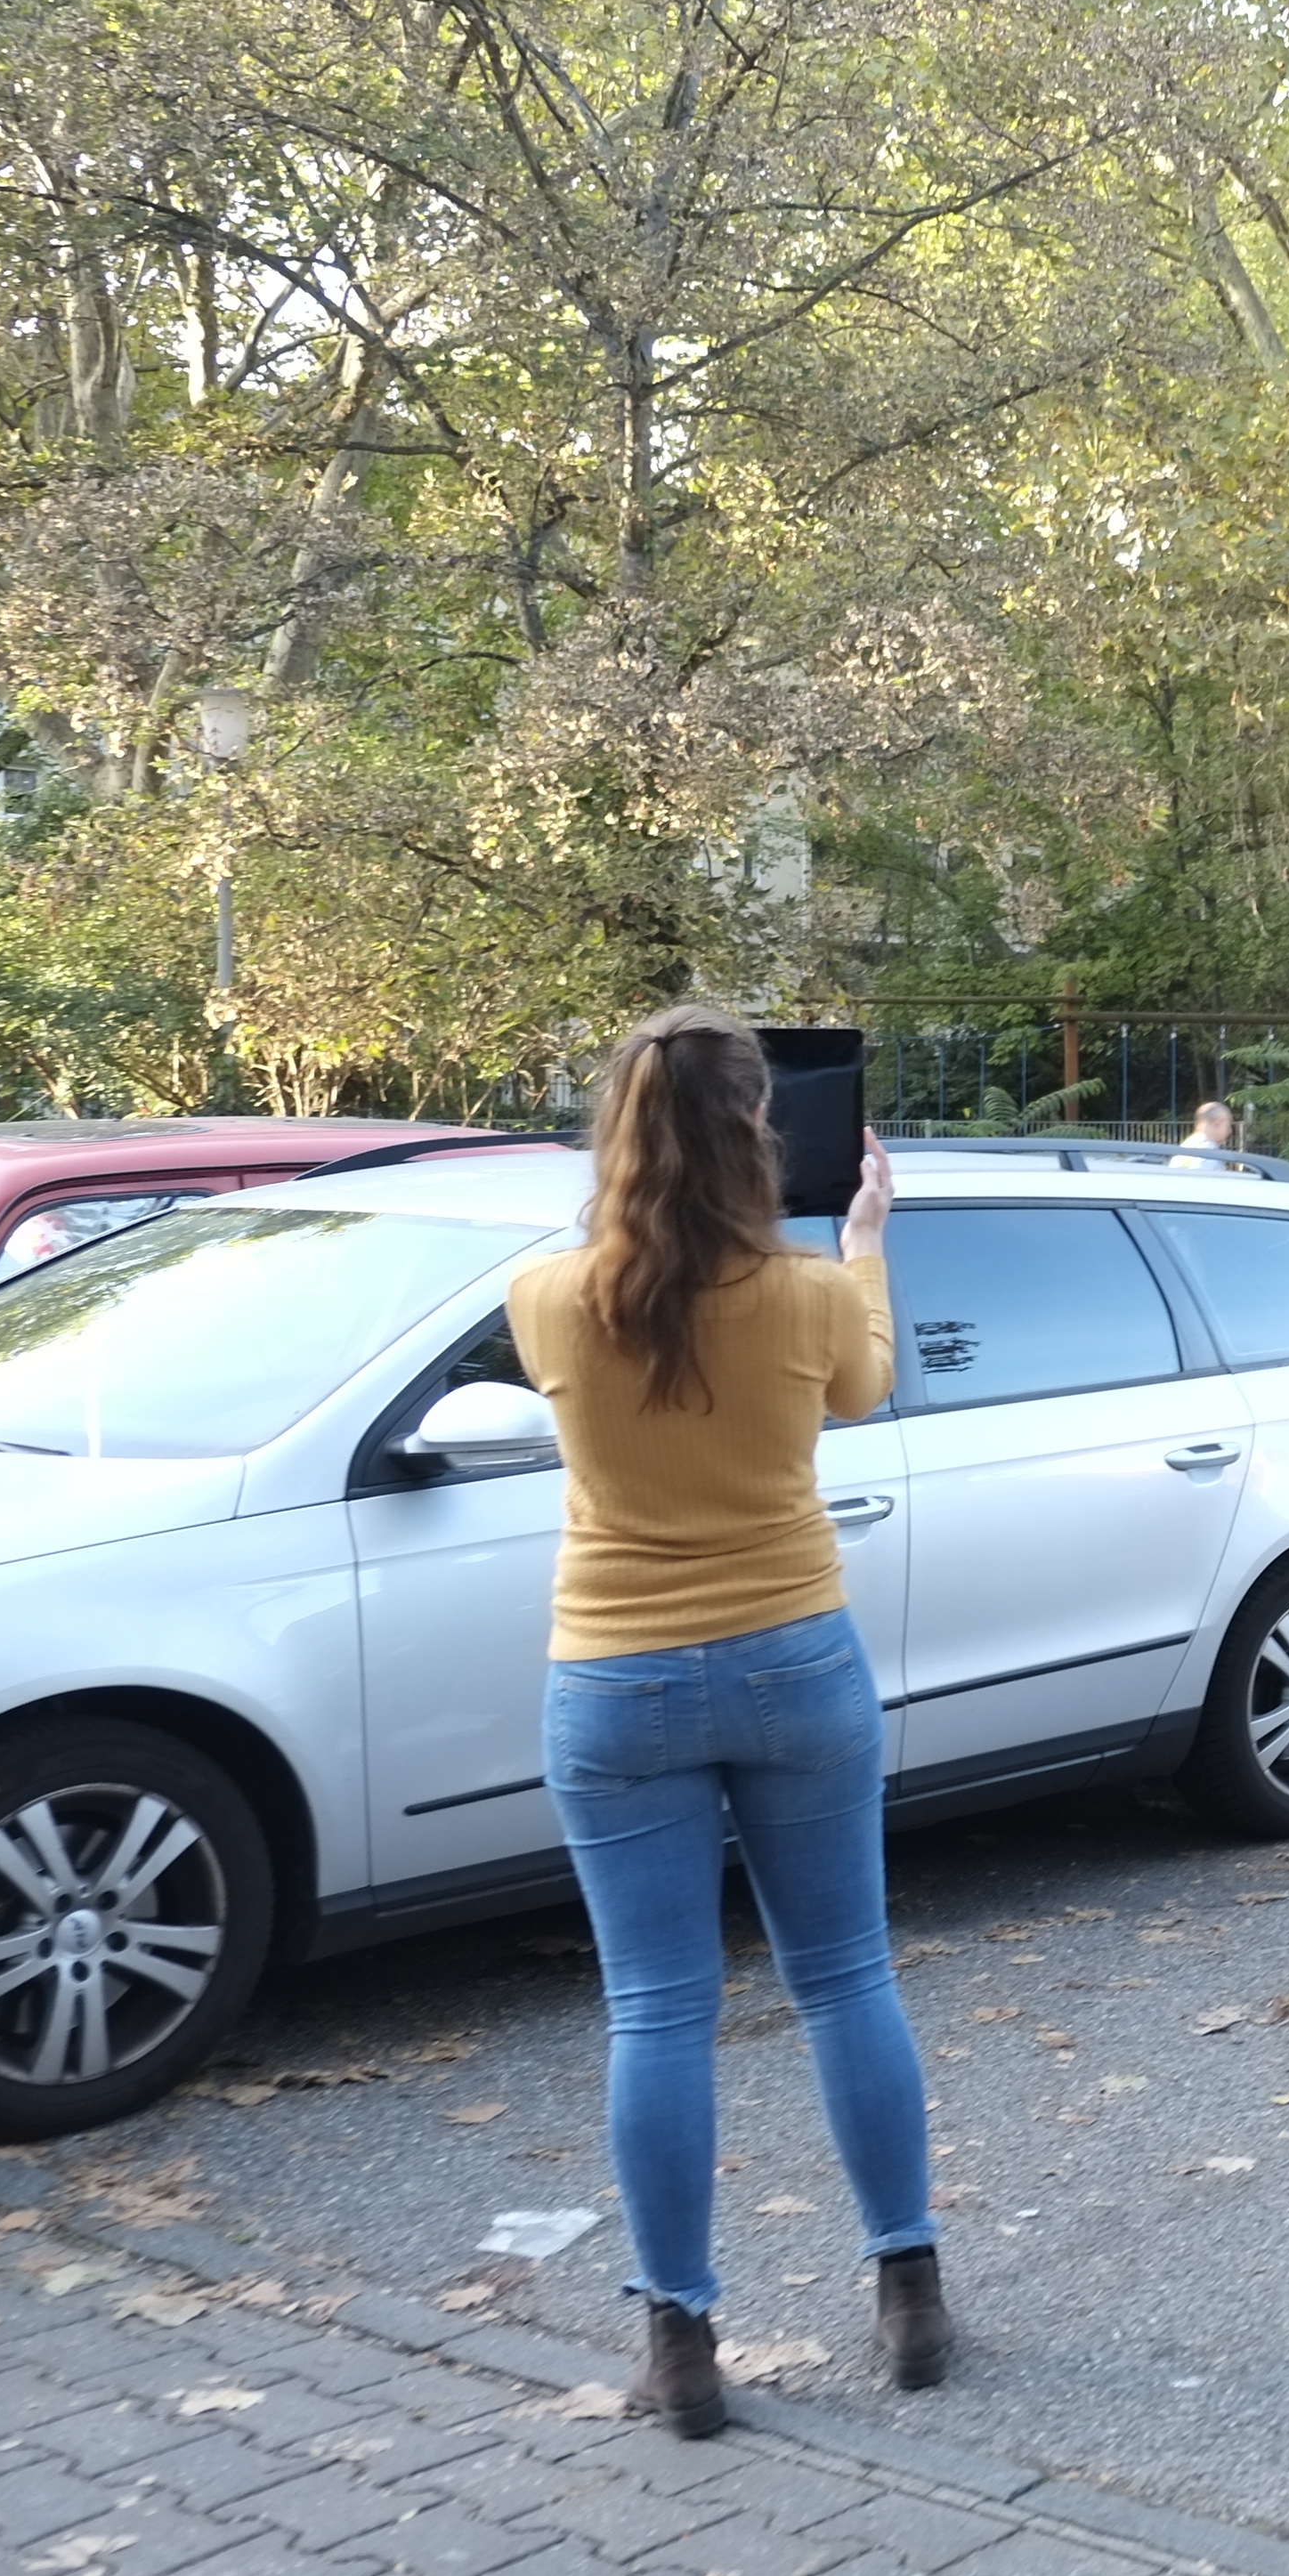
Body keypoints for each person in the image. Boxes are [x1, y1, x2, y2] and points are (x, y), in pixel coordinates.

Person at [508, 1006, 948, 2435]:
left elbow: (589, 1348)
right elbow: (868, 1387)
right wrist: (866, 1235)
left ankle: (681, 2342)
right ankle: (908, 2295)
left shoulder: (551, 1295)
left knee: (657, 2011)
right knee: (844, 1979)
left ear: (618, 1136)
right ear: (762, 1137)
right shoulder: (813, 1291)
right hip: (790, 1659)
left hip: (617, 1675)